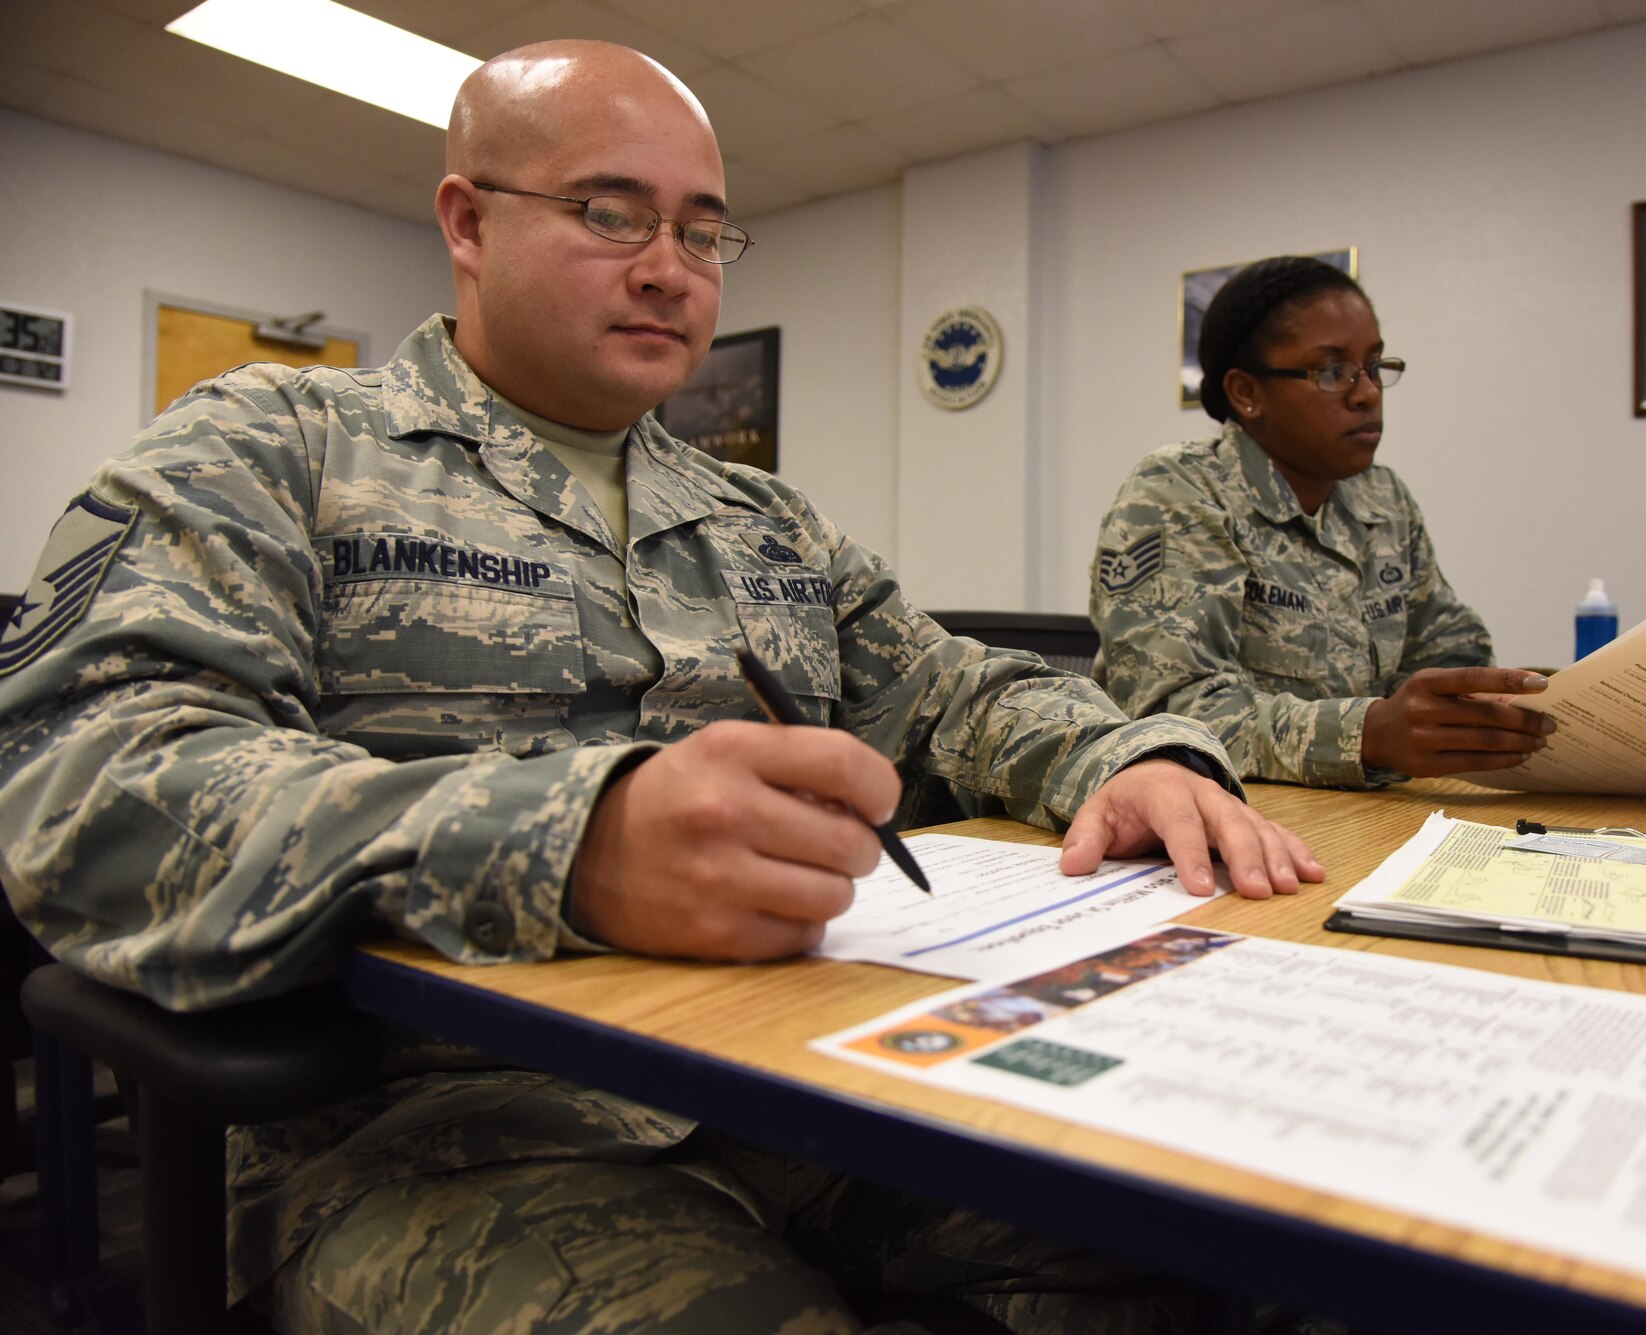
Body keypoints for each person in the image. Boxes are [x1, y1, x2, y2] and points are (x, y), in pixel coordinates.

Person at [0, 43, 1329, 1335]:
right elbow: (83, 784)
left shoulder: (764, 518)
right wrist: (565, 841)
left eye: (703, 233)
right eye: (610, 212)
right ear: (468, 222)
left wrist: (1126, 757)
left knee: (1228, 1250)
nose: (668, 268)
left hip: (799, 1073)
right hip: (445, 1138)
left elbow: (953, 689)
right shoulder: (270, 449)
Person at [1090, 255, 1554, 788]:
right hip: (1216, 812)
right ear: (1247, 393)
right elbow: (1170, 716)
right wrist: (1369, 733)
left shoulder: (1382, 497)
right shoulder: (1180, 491)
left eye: (1375, 366)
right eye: (1333, 372)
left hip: (1370, 807)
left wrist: (1462, 703)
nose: (1367, 393)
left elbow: (1447, 643)